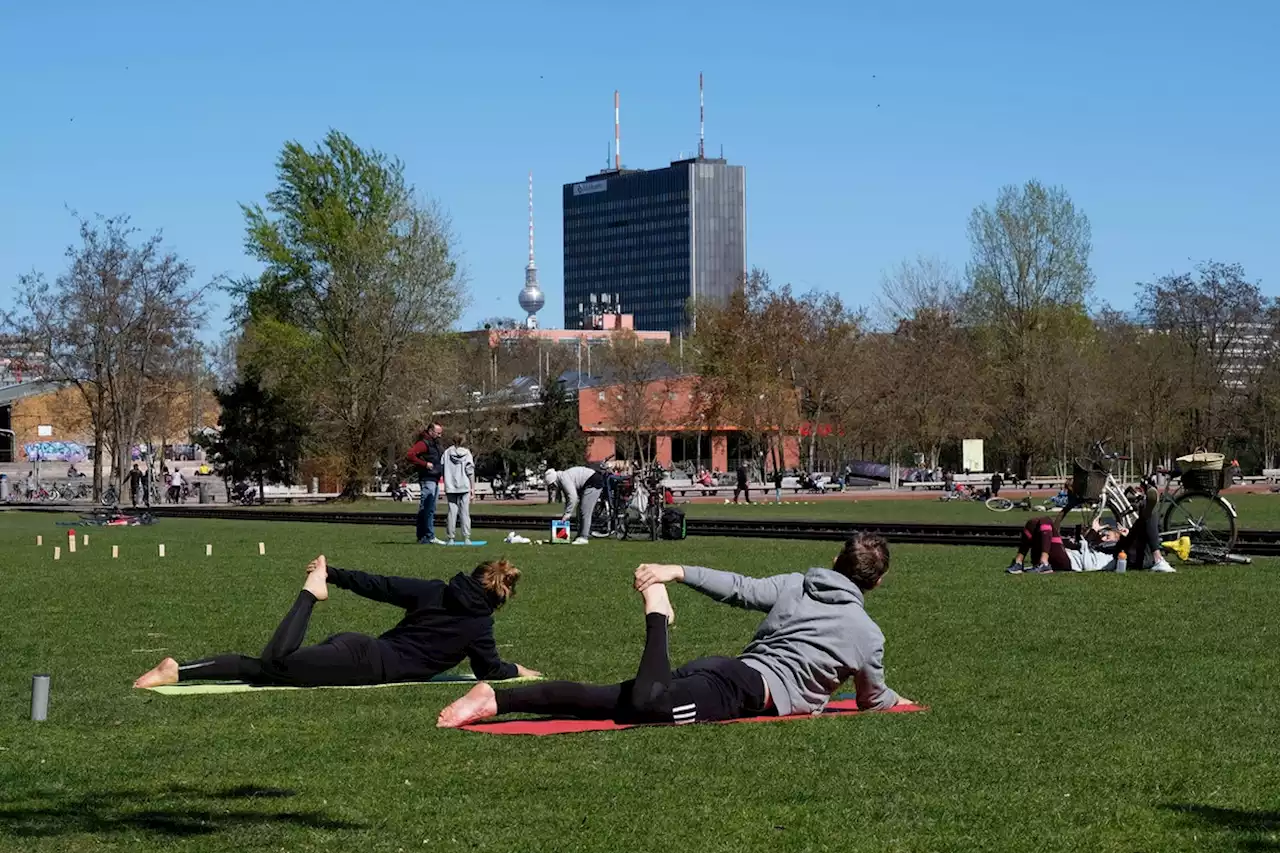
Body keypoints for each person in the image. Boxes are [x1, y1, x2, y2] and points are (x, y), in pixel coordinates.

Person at [438, 534, 912, 728]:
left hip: (728, 672)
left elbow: (739, 588)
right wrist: (899, 702)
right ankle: (657, 617)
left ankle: (496, 700)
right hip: (740, 690)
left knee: (614, 702)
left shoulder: (797, 584)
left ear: (835, 561)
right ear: (878, 581)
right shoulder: (867, 633)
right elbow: (872, 698)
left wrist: (680, 568)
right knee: (647, 705)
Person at [133, 556, 540, 689]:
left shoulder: (435, 589)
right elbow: (489, 670)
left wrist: (337, 572)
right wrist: (518, 669)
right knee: (278, 662)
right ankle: (310, 594)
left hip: (359, 649)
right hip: (364, 663)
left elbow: (379, 585)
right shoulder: (479, 627)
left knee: (266, 673)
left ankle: (177, 670)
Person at [544, 466, 604, 545]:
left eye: (552, 486)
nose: (553, 488)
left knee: (585, 510)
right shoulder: (562, 478)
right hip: (588, 483)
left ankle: (584, 537)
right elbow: (568, 500)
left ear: (554, 481)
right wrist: (566, 513)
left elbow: (573, 497)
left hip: (593, 482)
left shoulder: (563, 478)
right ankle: (579, 536)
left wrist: (568, 514)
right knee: (580, 511)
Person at [406, 423, 445, 545]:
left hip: (434, 478)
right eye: (438, 433)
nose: (440, 435)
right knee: (427, 507)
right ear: (430, 431)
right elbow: (410, 455)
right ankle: (427, 536)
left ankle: (425, 535)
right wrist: (425, 464)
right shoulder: (423, 443)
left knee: (430, 508)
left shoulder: (435, 444)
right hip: (428, 478)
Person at [443, 433, 476, 545]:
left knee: (452, 512)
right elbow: (470, 471)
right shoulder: (467, 453)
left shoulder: (447, 453)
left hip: (450, 486)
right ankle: (467, 537)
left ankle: (451, 538)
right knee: (465, 512)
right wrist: (473, 488)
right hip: (464, 485)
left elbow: (442, 466)